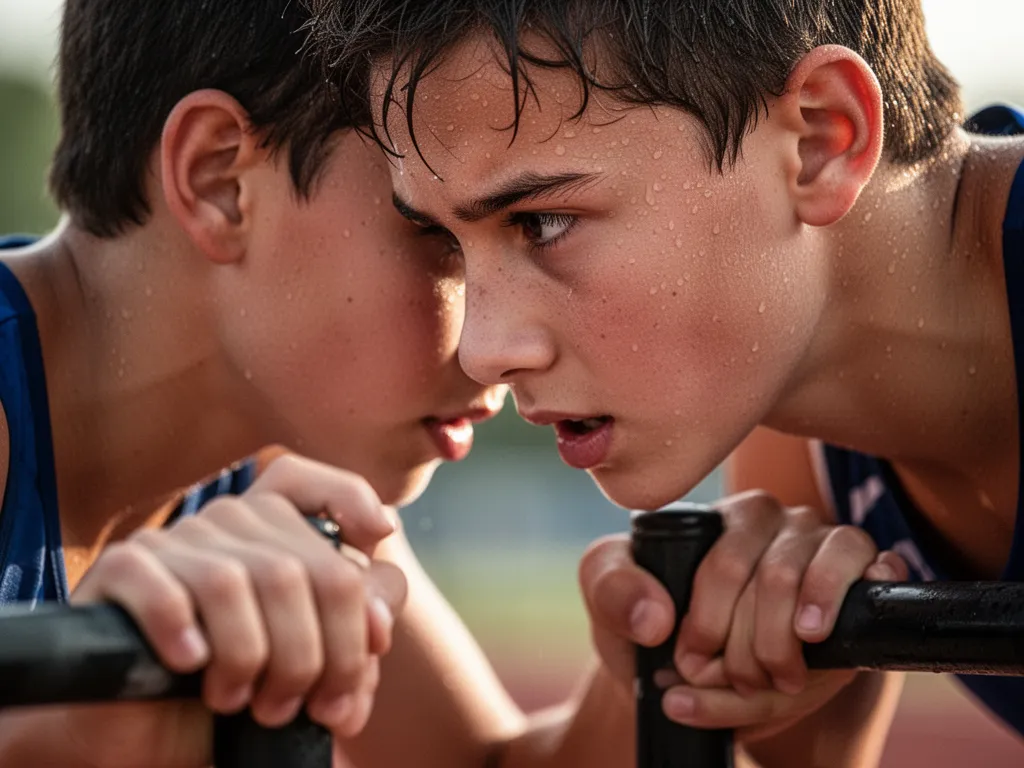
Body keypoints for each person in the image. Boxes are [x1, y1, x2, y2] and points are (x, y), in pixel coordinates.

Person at [302, 0, 1024, 763]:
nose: (481, 351)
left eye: (542, 222)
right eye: (448, 242)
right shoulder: (800, 435)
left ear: (820, 138)